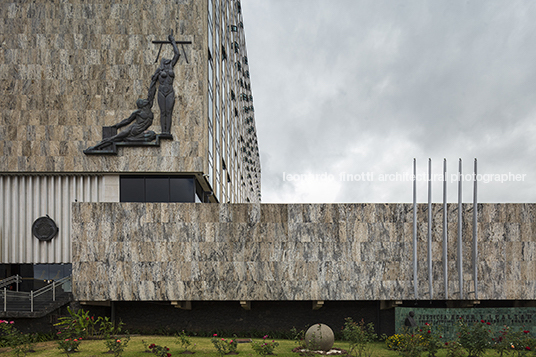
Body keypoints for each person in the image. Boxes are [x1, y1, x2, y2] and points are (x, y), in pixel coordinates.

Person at [85, 79, 157, 151]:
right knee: (114, 138)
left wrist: (154, 80)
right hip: (132, 129)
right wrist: (117, 125)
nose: (144, 101)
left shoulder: (149, 108)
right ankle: (96, 147)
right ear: (141, 104)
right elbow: (128, 120)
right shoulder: (138, 112)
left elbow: (151, 94)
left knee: (150, 135)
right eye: (142, 101)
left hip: (139, 131)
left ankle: (126, 140)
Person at [152, 34, 180, 135]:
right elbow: (153, 80)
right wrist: (157, 74)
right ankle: (163, 131)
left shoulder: (171, 66)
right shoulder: (159, 69)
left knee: (168, 112)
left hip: (169, 91)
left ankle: (167, 131)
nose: (167, 62)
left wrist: (173, 42)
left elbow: (177, 54)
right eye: (165, 62)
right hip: (161, 91)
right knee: (162, 112)